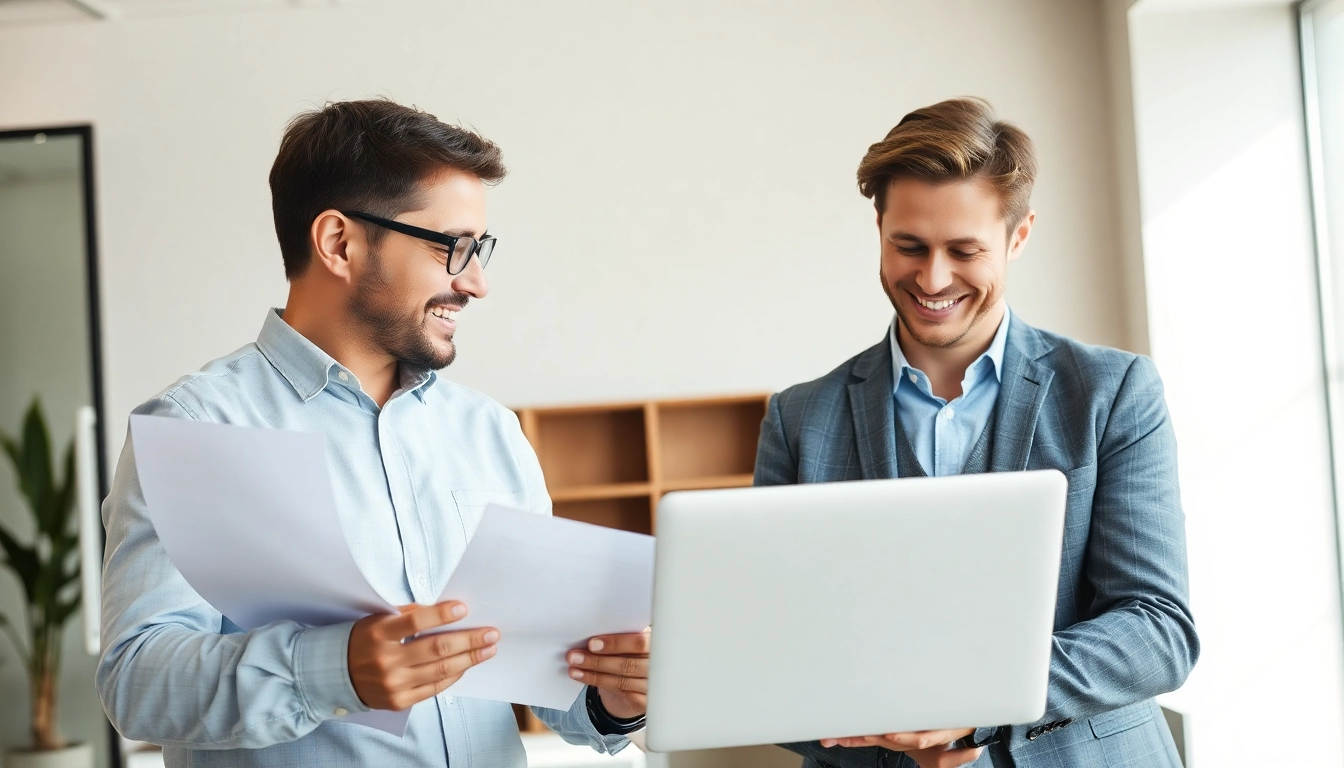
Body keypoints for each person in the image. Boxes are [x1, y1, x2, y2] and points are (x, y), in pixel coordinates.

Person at [96, 99, 648, 767]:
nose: (476, 283)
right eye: (453, 248)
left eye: (480, 249)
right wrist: (332, 673)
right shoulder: (196, 426)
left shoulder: (490, 433)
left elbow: (548, 678)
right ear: (339, 243)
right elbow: (135, 681)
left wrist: (615, 694)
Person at [754, 98, 1198, 768]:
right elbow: (766, 664)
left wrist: (981, 701)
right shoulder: (798, 420)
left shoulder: (1113, 394)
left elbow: (1158, 631)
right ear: (879, 226)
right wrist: (883, 722)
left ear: (1018, 238)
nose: (932, 279)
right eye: (909, 246)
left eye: (965, 251)